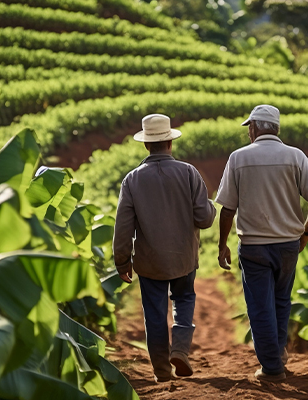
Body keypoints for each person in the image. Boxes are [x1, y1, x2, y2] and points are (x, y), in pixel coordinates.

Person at [215, 105, 308, 382]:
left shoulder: (238, 158)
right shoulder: (295, 156)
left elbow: (227, 209)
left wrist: (222, 244)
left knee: (260, 307)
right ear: (275, 128)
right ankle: (277, 357)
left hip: (253, 247)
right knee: (281, 302)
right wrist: (306, 232)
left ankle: (272, 368)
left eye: (249, 128)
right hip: (288, 244)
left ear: (254, 128)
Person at [113, 114, 216, 383]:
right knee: (183, 301)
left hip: (149, 261)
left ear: (147, 145)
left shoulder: (132, 180)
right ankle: (180, 349)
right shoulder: (189, 173)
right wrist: (213, 207)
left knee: (155, 314)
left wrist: (122, 262)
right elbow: (204, 219)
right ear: (170, 142)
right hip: (184, 257)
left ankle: (162, 371)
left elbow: (123, 227)